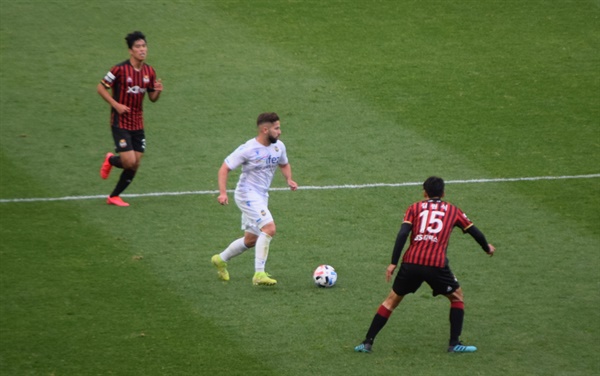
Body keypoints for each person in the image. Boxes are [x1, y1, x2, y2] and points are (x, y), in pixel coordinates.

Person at [354, 176, 495, 354]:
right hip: (436, 264)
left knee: (391, 301)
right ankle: (454, 344)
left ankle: (367, 342)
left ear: (424, 192)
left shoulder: (414, 208)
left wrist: (393, 263)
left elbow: (402, 234)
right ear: (443, 193)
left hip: (411, 263)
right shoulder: (453, 210)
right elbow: (475, 232)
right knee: (457, 297)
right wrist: (486, 247)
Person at [211, 112, 298, 286]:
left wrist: (288, 179)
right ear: (265, 130)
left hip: (261, 195)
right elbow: (224, 168)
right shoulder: (248, 149)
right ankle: (259, 273)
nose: (280, 132)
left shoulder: (278, 146)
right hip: (246, 194)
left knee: (251, 240)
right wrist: (222, 192)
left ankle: (220, 259)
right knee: (269, 228)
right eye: (276, 128)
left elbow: (284, 163)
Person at [97, 31, 163, 207]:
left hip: (137, 123)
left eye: (144, 46)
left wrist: (158, 91)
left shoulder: (149, 71)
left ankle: (114, 196)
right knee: (129, 161)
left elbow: (152, 98)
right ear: (130, 51)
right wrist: (115, 104)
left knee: (135, 164)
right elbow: (101, 87)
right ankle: (111, 159)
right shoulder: (118, 69)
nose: (142, 50)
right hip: (120, 122)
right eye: (138, 47)